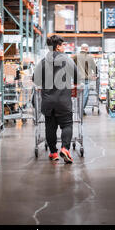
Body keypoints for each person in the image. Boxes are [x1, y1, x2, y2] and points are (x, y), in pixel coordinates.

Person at [33, 35, 79, 164]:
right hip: (63, 100)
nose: (64, 47)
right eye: (63, 45)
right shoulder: (67, 60)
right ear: (58, 46)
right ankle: (65, 148)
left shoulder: (43, 61)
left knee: (50, 127)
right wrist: (74, 84)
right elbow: (76, 76)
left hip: (48, 101)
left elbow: (35, 79)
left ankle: (53, 152)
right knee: (67, 124)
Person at [73, 44, 97, 115]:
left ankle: (78, 108)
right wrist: (95, 75)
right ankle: (81, 109)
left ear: (81, 48)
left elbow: (71, 66)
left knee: (77, 94)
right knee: (85, 95)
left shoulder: (75, 56)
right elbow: (94, 68)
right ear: (86, 49)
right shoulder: (90, 57)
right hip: (86, 79)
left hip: (77, 79)